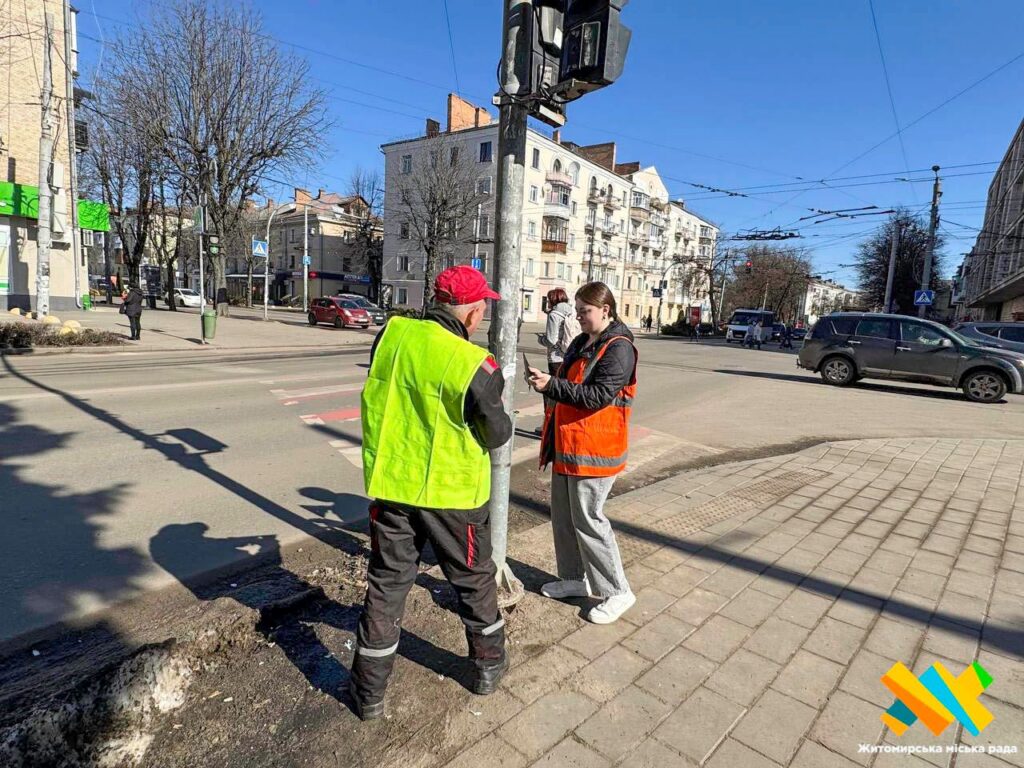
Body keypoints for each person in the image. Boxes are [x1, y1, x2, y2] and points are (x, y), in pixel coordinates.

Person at [351, 266, 514, 721]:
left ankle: (368, 695)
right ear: (474, 311)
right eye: (482, 308)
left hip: (393, 486)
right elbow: (497, 433)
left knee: (386, 585)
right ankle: (488, 665)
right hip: (452, 495)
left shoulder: (393, 335)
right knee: (472, 578)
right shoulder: (474, 365)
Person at [525, 282, 637, 624]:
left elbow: (597, 395)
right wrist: (546, 378)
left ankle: (618, 591)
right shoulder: (581, 341)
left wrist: (552, 386)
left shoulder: (619, 348)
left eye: (584, 311)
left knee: (590, 521)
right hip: (569, 445)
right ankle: (574, 578)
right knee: (564, 517)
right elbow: (568, 382)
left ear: (606, 309)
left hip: (595, 450)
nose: (578, 317)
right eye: (577, 310)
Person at [537, 288, 580, 433]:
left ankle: (548, 426)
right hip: (570, 356)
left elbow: (551, 340)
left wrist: (541, 339)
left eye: (549, 299)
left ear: (552, 300)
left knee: (550, 390)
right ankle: (562, 424)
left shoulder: (554, 314)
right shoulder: (572, 312)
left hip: (556, 358)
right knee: (564, 390)